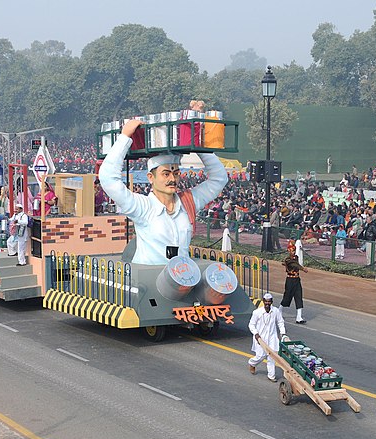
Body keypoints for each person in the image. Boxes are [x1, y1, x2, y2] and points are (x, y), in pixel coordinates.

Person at [98, 118, 228, 265]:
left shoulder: (187, 202)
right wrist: (125, 137)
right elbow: (108, 179)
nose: (172, 179)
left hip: (181, 279)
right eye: (166, 174)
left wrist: (200, 147)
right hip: (148, 280)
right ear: (150, 178)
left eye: (176, 173)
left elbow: (219, 178)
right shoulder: (143, 207)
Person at [247, 293, 287, 382]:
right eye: (266, 302)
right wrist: (256, 334)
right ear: (263, 301)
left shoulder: (276, 311)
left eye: (269, 302)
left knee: (272, 356)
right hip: (260, 338)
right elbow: (251, 325)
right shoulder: (257, 312)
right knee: (261, 356)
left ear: (271, 302)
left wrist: (283, 333)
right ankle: (252, 363)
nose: (267, 303)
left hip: (272, 337)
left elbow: (280, 322)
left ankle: (271, 375)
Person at [281, 240, 309, 323]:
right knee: (287, 297)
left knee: (298, 296)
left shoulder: (296, 257)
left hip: (296, 279)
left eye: (294, 250)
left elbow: (296, 263)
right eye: (291, 250)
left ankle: (299, 317)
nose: (293, 252)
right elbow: (294, 264)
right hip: (290, 280)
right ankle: (279, 312)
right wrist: (303, 269)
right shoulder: (288, 260)